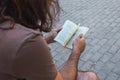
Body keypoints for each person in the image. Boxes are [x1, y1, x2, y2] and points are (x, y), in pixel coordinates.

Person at [0, 0, 99, 80]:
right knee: (90, 77)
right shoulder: (28, 40)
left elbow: (18, 51)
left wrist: (48, 39)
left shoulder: (6, 23)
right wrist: (76, 52)